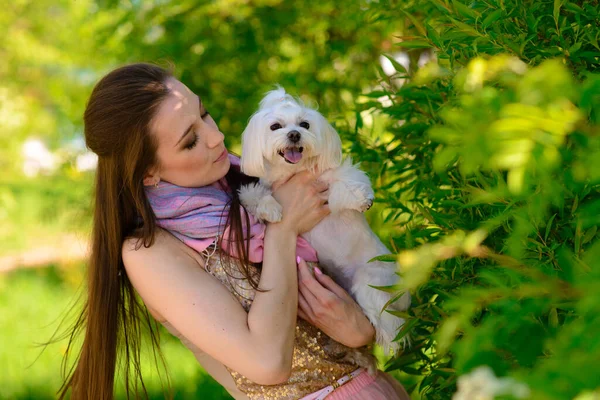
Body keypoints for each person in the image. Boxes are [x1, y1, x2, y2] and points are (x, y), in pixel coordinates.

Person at [58, 63, 411, 400]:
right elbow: (268, 362)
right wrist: (284, 228)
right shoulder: (150, 252)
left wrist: (360, 330)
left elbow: (343, 282)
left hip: (376, 386)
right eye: (190, 141)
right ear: (147, 172)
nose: (216, 136)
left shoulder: (252, 185)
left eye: (205, 113)